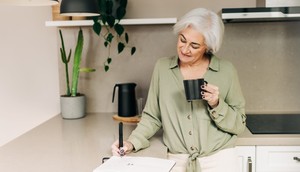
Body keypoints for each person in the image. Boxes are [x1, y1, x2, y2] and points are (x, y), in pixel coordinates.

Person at [111, 8, 246, 172]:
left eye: (194, 45)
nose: (185, 49)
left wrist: (217, 104)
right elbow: (152, 116)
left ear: (207, 47)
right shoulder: (163, 68)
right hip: (177, 161)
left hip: (220, 159)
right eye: (182, 40)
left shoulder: (226, 71)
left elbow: (239, 125)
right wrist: (132, 142)